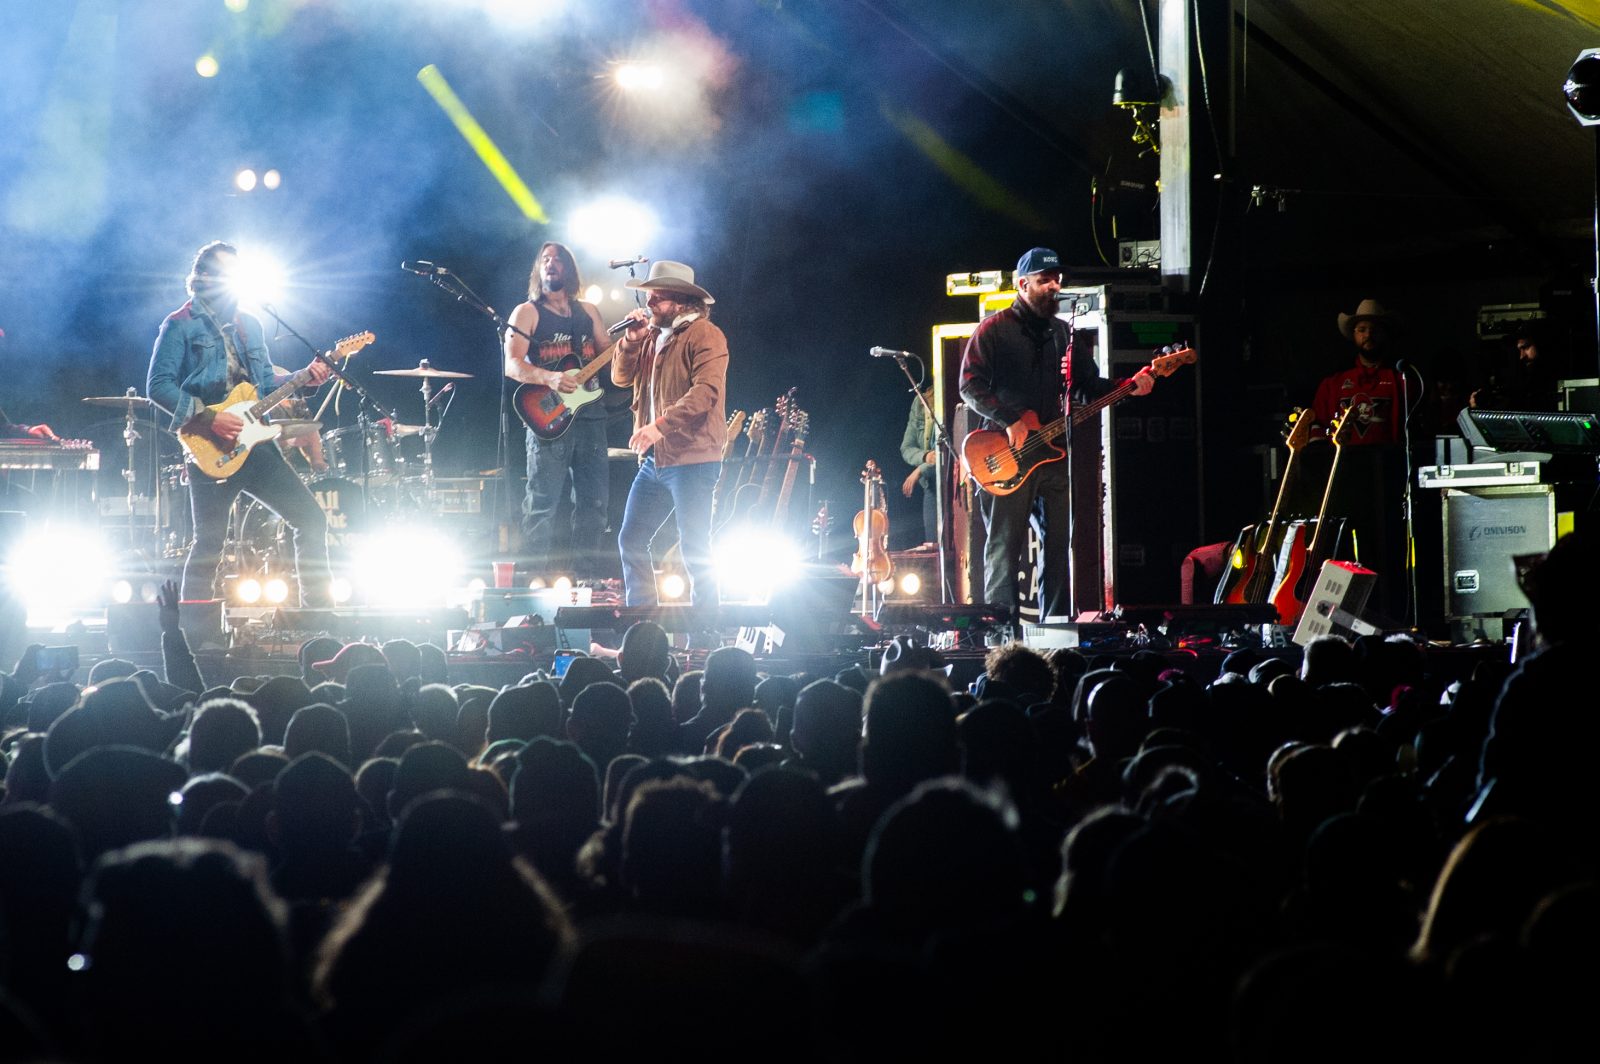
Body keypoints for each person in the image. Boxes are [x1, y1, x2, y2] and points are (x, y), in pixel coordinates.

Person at [959, 247, 1153, 621]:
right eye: (1044, 280)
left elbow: (1084, 386)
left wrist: (1130, 385)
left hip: (1052, 453)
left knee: (1060, 545)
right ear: (1022, 284)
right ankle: (1002, 634)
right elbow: (969, 386)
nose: (1053, 286)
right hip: (1005, 454)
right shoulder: (993, 330)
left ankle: (1055, 627)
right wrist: (1008, 419)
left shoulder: (1063, 333)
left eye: (1057, 279)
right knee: (1004, 547)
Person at [147, 240, 334, 605]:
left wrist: (303, 377)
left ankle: (319, 617)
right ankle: (191, 634)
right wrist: (208, 417)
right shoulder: (180, 324)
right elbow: (158, 386)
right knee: (208, 545)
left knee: (311, 520)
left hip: (258, 445)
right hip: (208, 446)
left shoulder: (250, 324)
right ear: (201, 278)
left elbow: (265, 384)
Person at [608, 260, 729, 607]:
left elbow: (706, 392)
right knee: (631, 539)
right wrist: (630, 342)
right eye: (649, 296)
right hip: (656, 462)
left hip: (693, 458)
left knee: (694, 549)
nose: (648, 303)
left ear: (680, 300)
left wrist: (658, 427)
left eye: (657, 297)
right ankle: (643, 623)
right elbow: (620, 378)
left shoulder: (705, 335)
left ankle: (705, 629)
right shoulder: (650, 338)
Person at [503, 242, 612, 578]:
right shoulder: (527, 312)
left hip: (590, 418)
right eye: (545, 260)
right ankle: (532, 584)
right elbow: (512, 364)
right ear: (538, 269)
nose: (550, 264)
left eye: (558, 260)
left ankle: (587, 581)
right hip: (547, 418)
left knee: (595, 506)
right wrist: (550, 378)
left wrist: (634, 342)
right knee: (542, 506)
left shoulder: (589, 312)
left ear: (569, 269)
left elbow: (611, 358)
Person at [1312, 298, 1403, 445]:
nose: (1368, 335)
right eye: (1362, 330)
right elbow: (1317, 429)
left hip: (1389, 465)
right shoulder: (1333, 383)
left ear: (1384, 334)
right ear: (1353, 335)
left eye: (1374, 330)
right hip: (1344, 465)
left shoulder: (1402, 381)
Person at [899, 387, 938, 549]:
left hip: (956, 482)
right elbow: (906, 448)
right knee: (934, 547)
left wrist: (920, 469)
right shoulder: (920, 402)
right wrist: (925, 457)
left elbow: (944, 453)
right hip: (932, 488)